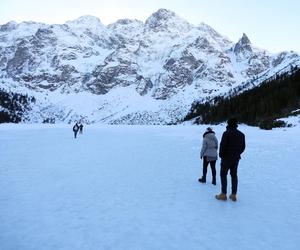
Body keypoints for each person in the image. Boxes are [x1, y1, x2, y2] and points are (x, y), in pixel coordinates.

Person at [215, 118, 245, 201]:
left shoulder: (226, 133)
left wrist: (221, 155)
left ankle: (223, 194)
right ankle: (233, 195)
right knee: (234, 175)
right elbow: (243, 147)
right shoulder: (241, 134)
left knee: (223, 175)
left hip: (226, 158)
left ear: (228, 124)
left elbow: (222, 146)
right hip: (236, 158)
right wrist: (237, 153)